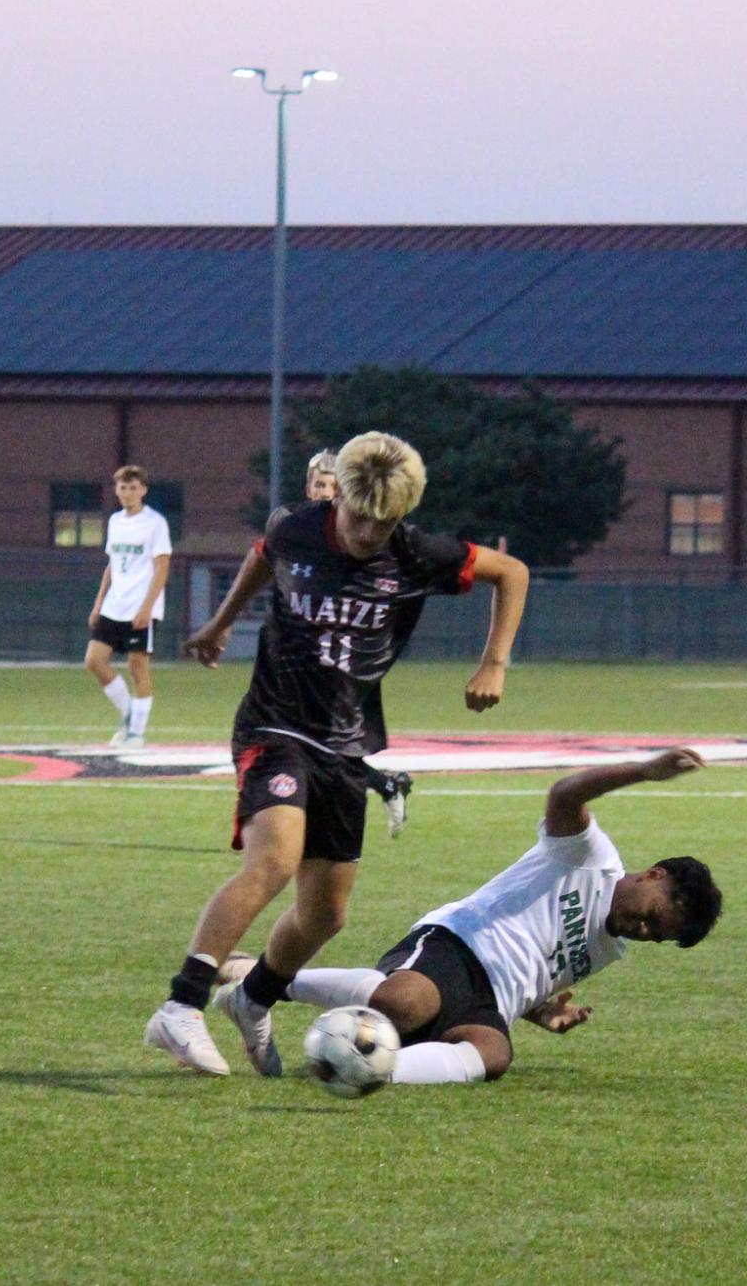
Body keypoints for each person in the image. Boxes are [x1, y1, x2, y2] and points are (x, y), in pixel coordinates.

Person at [145, 431, 532, 1076]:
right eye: (357, 518)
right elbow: (264, 556)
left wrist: (493, 662)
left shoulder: (416, 555)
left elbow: (511, 572)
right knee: (274, 861)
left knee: (326, 914)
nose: (365, 534)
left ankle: (254, 997)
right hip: (274, 726)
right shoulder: (301, 529)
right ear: (339, 499)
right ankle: (180, 1006)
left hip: (346, 746)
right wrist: (219, 623)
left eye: (382, 525)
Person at [216, 747, 723, 1084]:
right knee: (405, 1002)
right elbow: (565, 794)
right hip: (458, 945)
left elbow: (537, 965)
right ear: (654, 876)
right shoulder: (589, 858)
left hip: (493, 1003)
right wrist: (643, 771)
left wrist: (540, 1009)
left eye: (655, 937)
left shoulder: (609, 949)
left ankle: (369, 1068)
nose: (644, 931)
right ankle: (263, 983)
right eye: (654, 919)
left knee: (494, 1056)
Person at [307, 447, 414, 836]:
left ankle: (381, 787)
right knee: (317, 748)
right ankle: (385, 784)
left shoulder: (367, 540)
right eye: (318, 483)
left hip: (347, 666)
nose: (323, 492)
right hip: (308, 666)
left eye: (331, 485)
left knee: (325, 749)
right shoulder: (302, 532)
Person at [84, 465, 171, 749]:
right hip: (114, 605)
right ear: (116, 490)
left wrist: (147, 607)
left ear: (143, 490)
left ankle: (136, 733)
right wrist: (99, 602)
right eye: (123, 487)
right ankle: (130, 714)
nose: (128, 493)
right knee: (94, 661)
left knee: (137, 666)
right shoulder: (115, 521)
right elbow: (111, 564)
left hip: (140, 606)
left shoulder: (155, 523)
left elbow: (161, 567)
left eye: (134, 487)